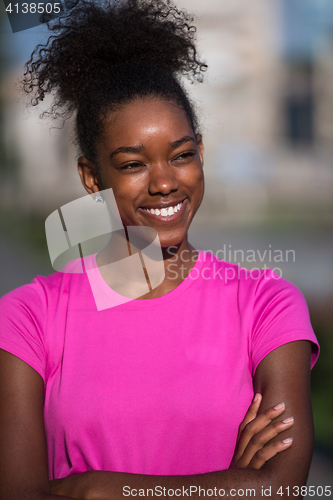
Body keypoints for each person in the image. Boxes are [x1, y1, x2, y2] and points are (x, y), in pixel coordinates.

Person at [0, 1, 319, 499]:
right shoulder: (27, 319)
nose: (166, 182)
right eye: (132, 164)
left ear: (201, 154)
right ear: (92, 178)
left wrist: (94, 489)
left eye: (182, 155)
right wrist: (232, 486)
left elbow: (280, 486)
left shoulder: (266, 304)